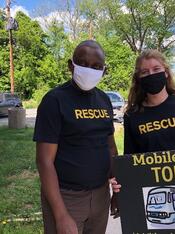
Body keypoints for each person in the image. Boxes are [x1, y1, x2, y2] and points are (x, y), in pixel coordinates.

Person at [33, 40, 118, 234]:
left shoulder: (104, 100)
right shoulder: (54, 101)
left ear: (104, 71)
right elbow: (44, 161)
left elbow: (110, 147)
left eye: (96, 66)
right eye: (83, 63)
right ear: (71, 65)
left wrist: (116, 190)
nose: (89, 70)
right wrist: (61, 214)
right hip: (66, 198)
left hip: (100, 195)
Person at [111, 49, 175, 194]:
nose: (151, 75)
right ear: (138, 78)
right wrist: (120, 187)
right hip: (151, 190)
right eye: (145, 72)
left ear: (166, 72)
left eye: (156, 69)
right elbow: (130, 160)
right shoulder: (132, 116)